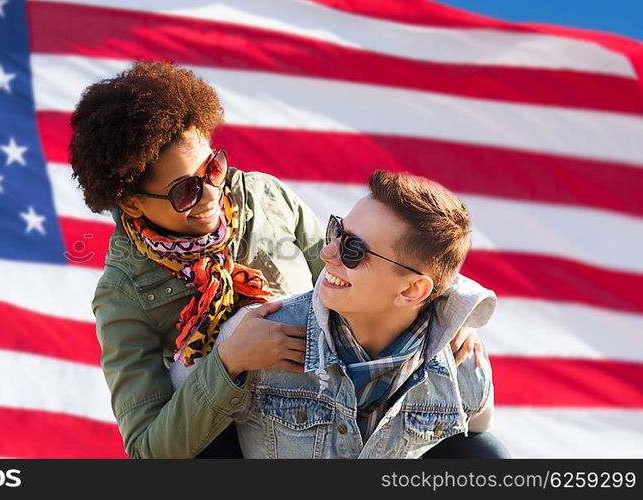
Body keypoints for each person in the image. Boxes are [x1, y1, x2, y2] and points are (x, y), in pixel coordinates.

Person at [71, 61, 486, 458]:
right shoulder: (123, 294)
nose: (212, 196)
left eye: (213, 169)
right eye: (185, 192)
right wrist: (229, 363)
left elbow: (358, 274)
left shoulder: (267, 199)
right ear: (132, 202)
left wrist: (442, 315)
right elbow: (149, 450)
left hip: (337, 410)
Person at [174, 170, 507, 458]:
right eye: (337, 231)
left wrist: (453, 317)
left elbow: (475, 440)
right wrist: (228, 363)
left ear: (412, 291)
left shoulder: (463, 364)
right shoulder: (257, 335)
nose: (327, 253)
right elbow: (171, 436)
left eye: (354, 250)